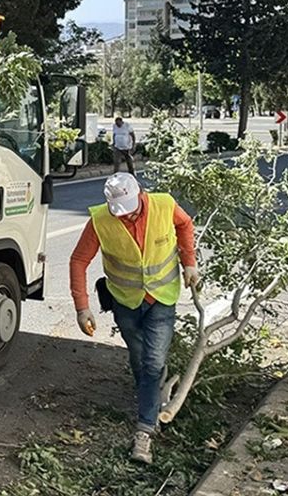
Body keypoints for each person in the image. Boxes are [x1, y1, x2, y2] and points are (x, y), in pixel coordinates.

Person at [69, 173, 199, 465]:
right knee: (140, 360)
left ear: (140, 194)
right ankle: (151, 401)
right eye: (119, 211)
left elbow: (185, 224)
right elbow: (78, 260)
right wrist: (82, 308)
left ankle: (145, 429)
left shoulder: (164, 205)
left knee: (153, 362)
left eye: (130, 209)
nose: (126, 216)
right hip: (125, 302)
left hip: (161, 299)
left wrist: (189, 262)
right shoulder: (101, 220)